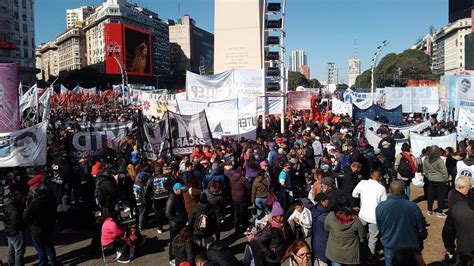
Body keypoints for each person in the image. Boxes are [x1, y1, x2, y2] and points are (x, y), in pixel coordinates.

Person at [376, 180, 426, 266]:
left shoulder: (381, 207)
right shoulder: (413, 207)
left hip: (390, 244)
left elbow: (380, 227)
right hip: (411, 246)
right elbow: (421, 227)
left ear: (390, 191)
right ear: (404, 191)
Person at [352, 169, 387, 259]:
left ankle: (360, 251)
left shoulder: (363, 183)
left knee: (360, 234)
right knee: (373, 237)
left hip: (363, 214)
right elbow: (384, 203)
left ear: (371, 175)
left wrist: (362, 198)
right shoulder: (381, 188)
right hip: (375, 217)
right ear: (380, 178)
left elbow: (354, 194)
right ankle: (369, 256)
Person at [24, 184, 57, 266]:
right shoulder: (50, 200)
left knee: (40, 247)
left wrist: (31, 222)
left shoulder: (34, 203)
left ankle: (43, 263)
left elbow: (26, 216)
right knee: (49, 245)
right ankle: (53, 262)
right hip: (48, 226)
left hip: (37, 228)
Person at [324, 199, 365, 266]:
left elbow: (326, 228)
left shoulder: (330, 216)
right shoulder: (356, 221)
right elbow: (362, 235)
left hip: (335, 252)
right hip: (350, 254)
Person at [442, 192, 474, 265]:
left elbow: (448, 231)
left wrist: (450, 247)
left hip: (464, 253)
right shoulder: (458, 207)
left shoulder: (457, 207)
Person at [258, 201, 294, 266]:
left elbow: (290, 236)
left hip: (285, 255)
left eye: (283, 215)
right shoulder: (269, 229)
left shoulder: (286, 224)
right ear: (274, 217)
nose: (282, 218)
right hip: (274, 259)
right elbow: (261, 242)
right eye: (280, 216)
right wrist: (270, 254)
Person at [423, 145, 449, 218]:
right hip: (440, 180)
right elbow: (444, 171)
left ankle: (429, 210)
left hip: (431, 179)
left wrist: (429, 177)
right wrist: (446, 179)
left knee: (430, 195)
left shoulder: (426, 159)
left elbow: (425, 170)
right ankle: (439, 211)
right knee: (441, 196)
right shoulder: (439, 160)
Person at [166, 182, 188, 263]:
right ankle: (171, 257)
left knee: (181, 238)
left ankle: (179, 254)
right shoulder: (171, 199)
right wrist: (177, 220)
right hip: (175, 224)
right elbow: (167, 213)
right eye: (180, 190)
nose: (182, 191)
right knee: (174, 240)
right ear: (175, 190)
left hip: (181, 222)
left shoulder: (178, 196)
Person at [4, 190, 26, 266]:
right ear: (14, 197)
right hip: (15, 231)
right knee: (19, 251)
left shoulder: (8, 205)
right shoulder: (14, 207)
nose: (20, 197)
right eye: (19, 196)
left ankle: (11, 263)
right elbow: (15, 220)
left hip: (9, 231)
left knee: (11, 250)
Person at [311, 193, 330, 266]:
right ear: (322, 201)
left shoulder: (314, 210)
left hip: (316, 242)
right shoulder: (323, 216)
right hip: (323, 244)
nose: (328, 201)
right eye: (327, 200)